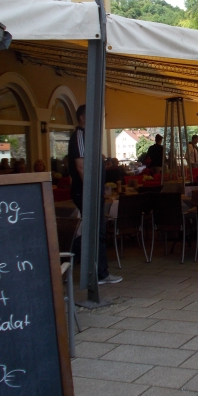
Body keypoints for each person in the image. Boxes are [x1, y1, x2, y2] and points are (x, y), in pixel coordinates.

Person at [68, 104, 121, 285]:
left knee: (96, 232)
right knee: (95, 232)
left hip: (90, 192)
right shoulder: (81, 136)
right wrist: (92, 192)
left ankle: (100, 272)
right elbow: (81, 167)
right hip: (85, 192)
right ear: (83, 118)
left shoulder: (88, 137)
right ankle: (94, 271)